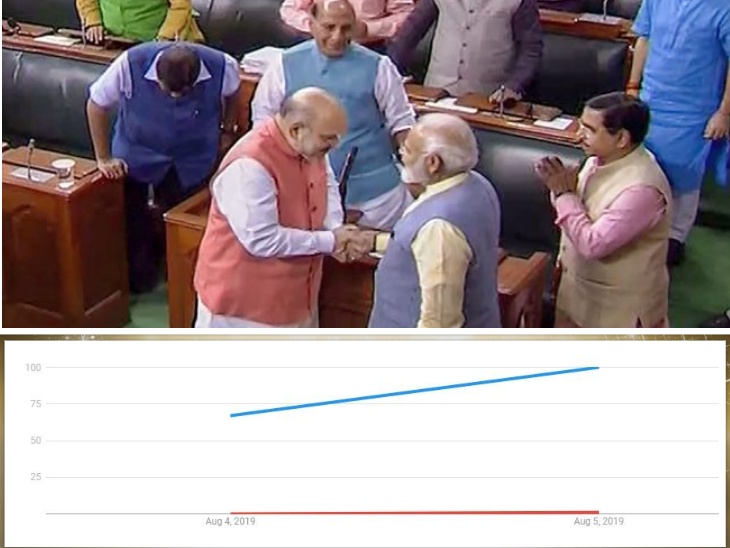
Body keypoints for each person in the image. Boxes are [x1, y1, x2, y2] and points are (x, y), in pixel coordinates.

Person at [194, 88, 373, 328]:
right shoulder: (250, 165)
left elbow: (327, 183)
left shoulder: (311, 145)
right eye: (328, 138)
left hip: (297, 297)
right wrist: (330, 241)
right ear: (296, 130)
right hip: (243, 310)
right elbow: (262, 240)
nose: (335, 145)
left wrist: (335, 228)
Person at [86, 42, 241, 293]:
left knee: (183, 225)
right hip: (137, 151)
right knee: (133, 220)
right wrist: (103, 158)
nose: (174, 98)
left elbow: (233, 93)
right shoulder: (129, 63)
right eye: (166, 90)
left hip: (192, 158)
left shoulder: (224, 65)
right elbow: (96, 104)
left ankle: (180, 282)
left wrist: (228, 128)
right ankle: (140, 278)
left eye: (182, 93)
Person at [252, 0, 416, 231]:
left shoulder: (380, 66)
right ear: (311, 24)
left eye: (346, 28)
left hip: (377, 199)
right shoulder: (283, 64)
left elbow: (402, 123)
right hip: (304, 192)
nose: (337, 37)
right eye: (329, 27)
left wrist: (415, 174)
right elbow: (263, 122)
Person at [535, 92, 672, 328]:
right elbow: (576, 209)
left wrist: (563, 194)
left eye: (589, 130)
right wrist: (561, 190)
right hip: (576, 293)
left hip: (617, 312)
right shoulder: (596, 160)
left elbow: (593, 244)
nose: (579, 135)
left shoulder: (642, 189)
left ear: (621, 138)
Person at [366, 113, 502, 328]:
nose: (402, 155)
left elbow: (439, 324)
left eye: (407, 150)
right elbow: (422, 247)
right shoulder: (479, 184)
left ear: (433, 163)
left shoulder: (439, 227)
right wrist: (373, 242)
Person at [627, 0, 730, 266]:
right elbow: (644, 39)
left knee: (684, 176)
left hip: (694, 110)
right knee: (643, 169)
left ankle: (676, 238)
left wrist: (724, 113)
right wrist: (632, 87)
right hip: (651, 100)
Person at [386, 0, 543, 104]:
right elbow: (410, 32)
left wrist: (513, 86)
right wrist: (389, 72)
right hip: (436, 93)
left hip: (488, 99)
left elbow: (531, 49)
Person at [75, 0, 204, 44]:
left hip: (162, 44)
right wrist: (93, 21)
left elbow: (180, 6)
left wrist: (164, 37)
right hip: (113, 42)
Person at [280, 0, 414, 42]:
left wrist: (369, 29)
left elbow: (407, 15)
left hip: (368, 47)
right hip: (316, 45)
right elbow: (289, 9)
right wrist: (317, 26)